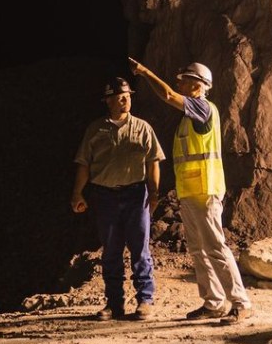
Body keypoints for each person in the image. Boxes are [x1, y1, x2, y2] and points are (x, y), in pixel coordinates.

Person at [127, 56, 253, 324]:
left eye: (184, 80)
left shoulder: (203, 109)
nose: (180, 84)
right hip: (191, 192)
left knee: (216, 248)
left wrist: (146, 73)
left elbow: (169, 95)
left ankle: (241, 302)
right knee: (198, 250)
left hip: (206, 191)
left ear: (198, 84)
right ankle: (214, 302)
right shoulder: (189, 117)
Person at [71, 76, 164, 321]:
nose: (125, 100)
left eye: (128, 96)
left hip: (136, 195)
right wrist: (77, 193)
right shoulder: (96, 130)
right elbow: (84, 164)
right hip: (105, 197)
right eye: (120, 97)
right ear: (109, 101)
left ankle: (145, 300)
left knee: (140, 250)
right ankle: (114, 304)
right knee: (111, 251)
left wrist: (154, 194)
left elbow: (153, 162)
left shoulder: (143, 128)